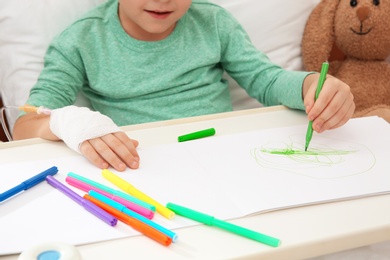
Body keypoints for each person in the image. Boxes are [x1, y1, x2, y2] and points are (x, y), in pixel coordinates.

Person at [12, 0, 355, 172]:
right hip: (142, 167)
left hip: (228, 158)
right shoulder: (80, 41)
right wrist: (66, 122)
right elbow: (27, 124)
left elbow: (266, 79)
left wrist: (313, 85)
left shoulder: (213, 22)